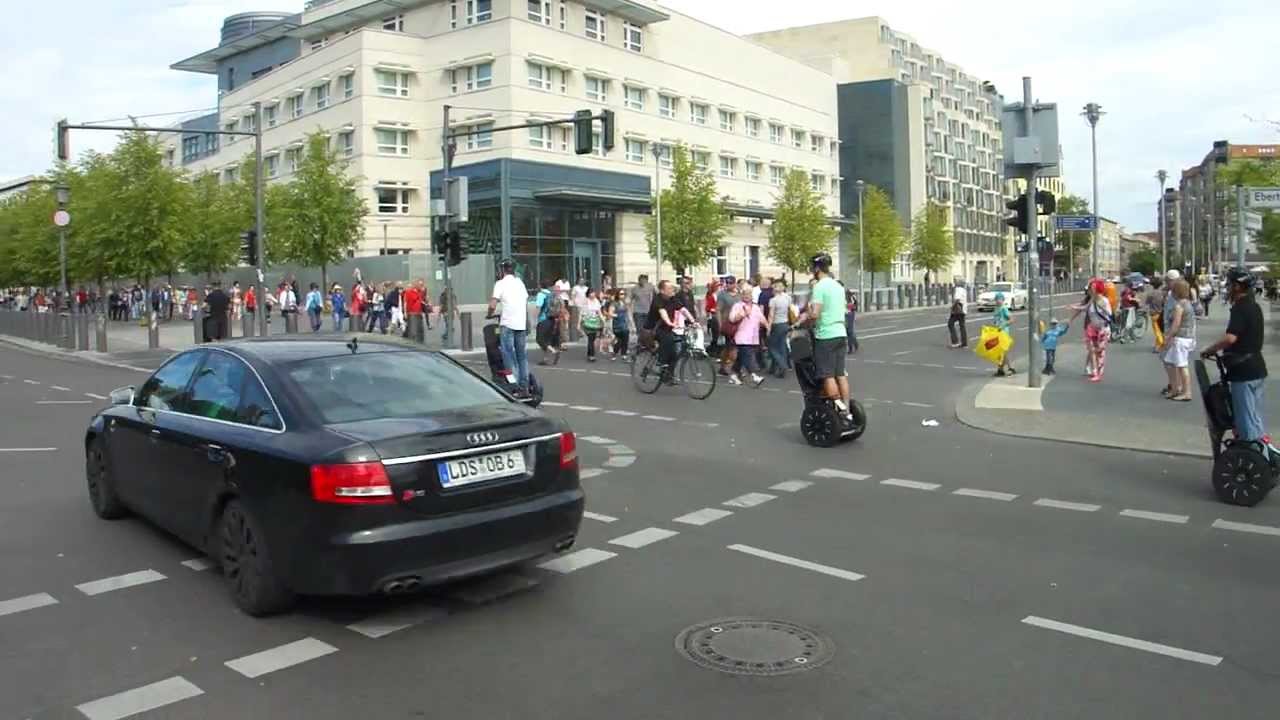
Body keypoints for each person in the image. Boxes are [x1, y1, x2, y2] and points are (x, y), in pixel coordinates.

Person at [1202, 268, 1269, 453]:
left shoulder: (1241, 307)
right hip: (1256, 368)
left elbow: (1231, 338)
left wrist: (1210, 349)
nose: (1228, 287)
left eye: (1230, 284)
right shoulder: (1254, 305)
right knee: (1254, 416)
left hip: (1244, 372)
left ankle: (1253, 459)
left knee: (1245, 420)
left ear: (1238, 286)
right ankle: (1262, 456)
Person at [800, 254, 853, 423]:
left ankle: (838, 410)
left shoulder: (820, 287)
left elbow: (815, 313)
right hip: (840, 333)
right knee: (840, 374)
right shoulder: (837, 286)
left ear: (816, 268)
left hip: (826, 335)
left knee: (827, 375)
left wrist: (805, 320)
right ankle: (846, 410)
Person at [488, 258, 531, 392]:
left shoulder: (500, 284)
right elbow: (525, 301)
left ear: (502, 270)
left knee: (508, 355)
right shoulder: (520, 283)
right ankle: (524, 385)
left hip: (507, 323)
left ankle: (514, 385)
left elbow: (493, 304)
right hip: (520, 323)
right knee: (521, 356)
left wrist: (489, 314)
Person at [1159, 278, 1197, 401]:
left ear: (1176, 292)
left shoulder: (1179, 306)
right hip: (1187, 337)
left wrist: (1167, 337)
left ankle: (1187, 392)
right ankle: (1175, 389)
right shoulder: (1188, 303)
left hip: (1180, 338)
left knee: (1181, 365)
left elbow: (1175, 325)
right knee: (1170, 362)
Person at [1069, 279, 1112, 383]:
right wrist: (1074, 307)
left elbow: (1109, 314)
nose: (1090, 289)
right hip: (1092, 328)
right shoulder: (1092, 299)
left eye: (1092, 287)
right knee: (1092, 350)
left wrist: (1101, 307)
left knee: (1100, 352)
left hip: (1103, 329)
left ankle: (1099, 373)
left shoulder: (1104, 301)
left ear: (1097, 288)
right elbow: (1085, 307)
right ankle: (1095, 371)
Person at [729, 287, 769, 387]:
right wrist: (742, 314)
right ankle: (754, 376)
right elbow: (732, 319)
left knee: (741, 357)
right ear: (741, 295)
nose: (747, 296)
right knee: (747, 355)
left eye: (749, 294)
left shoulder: (755, 307)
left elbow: (762, 318)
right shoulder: (737, 306)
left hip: (753, 337)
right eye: (745, 294)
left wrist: (768, 327)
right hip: (741, 336)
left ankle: (734, 375)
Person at [766, 279, 793, 378]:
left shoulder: (773, 300)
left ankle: (782, 365)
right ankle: (775, 368)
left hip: (777, 324)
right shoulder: (788, 298)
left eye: (776, 286)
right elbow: (791, 310)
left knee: (772, 347)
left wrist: (768, 327)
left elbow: (771, 315)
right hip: (785, 323)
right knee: (782, 346)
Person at [991, 292, 1015, 376]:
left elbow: (1012, 319)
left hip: (1004, 332)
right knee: (1000, 352)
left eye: (1000, 299)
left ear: (1003, 300)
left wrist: (1003, 325)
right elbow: (995, 320)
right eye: (997, 299)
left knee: (1003, 351)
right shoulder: (996, 309)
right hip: (997, 332)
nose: (998, 301)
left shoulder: (1004, 308)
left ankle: (1009, 368)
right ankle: (1001, 369)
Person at [579, 287, 604, 362]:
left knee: (592, 338)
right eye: (591, 293)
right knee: (590, 337)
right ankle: (592, 355)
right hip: (587, 321)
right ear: (588, 294)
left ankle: (589, 353)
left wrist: (603, 320)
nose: (592, 294)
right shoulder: (586, 301)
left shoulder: (596, 301)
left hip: (595, 321)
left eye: (593, 293)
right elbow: (581, 313)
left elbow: (599, 312)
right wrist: (579, 323)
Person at [609, 288, 630, 360]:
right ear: (617, 295)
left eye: (624, 294)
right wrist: (617, 315)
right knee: (620, 340)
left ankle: (623, 354)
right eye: (621, 294)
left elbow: (627, 313)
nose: (623, 295)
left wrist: (630, 322)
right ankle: (615, 353)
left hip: (624, 323)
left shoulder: (625, 303)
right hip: (617, 324)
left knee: (625, 338)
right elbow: (610, 313)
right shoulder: (614, 303)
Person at [948, 281, 968, 348]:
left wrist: (952, 306)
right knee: (962, 326)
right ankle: (964, 343)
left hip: (958, 310)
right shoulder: (963, 290)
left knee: (950, 323)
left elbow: (957, 299)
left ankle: (955, 341)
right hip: (963, 310)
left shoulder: (958, 289)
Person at [845, 287, 860, 354]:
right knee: (847, 331)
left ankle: (851, 347)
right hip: (842, 314)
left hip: (850, 314)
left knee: (849, 331)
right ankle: (855, 343)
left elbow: (854, 305)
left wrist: (848, 306)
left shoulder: (849, 295)